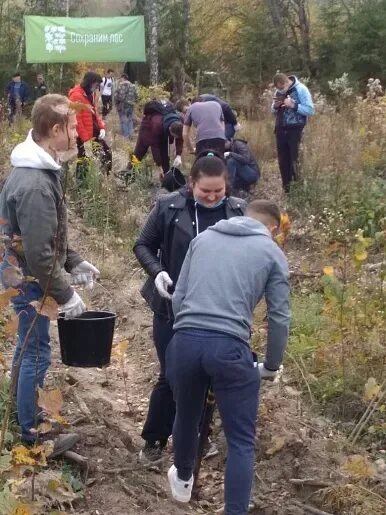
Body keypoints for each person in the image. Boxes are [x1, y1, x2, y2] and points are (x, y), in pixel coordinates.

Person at [166, 199, 290, 514]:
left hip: (184, 341)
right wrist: (271, 365)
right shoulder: (271, 252)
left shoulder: (203, 238)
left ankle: (182, 478)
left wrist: (188, 333)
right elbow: (279, 318)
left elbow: (179, 296)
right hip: (230, 347)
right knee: (241, 440)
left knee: (187, 413)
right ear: (272, 227)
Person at [0, 94, 100, 454]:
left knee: (28, 346)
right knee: (37, 350)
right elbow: (41, 257)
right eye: (72, 127)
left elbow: (47, 236)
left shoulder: (42, 169)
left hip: (24, 273)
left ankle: (18, 413)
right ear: (54, 130)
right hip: (27, 278)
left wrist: (73, 261)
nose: (77, 134)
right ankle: (30, 433)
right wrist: (67, 295)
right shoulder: (35, 184)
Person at [133, 151, 246, 465]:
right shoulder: (169, 207)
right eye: (204, 191)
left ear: (227, 187)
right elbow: (142, 244)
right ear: (191, 184)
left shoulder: (237, 213)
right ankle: (154, 440)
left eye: (218, 192)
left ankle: (198, 438)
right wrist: (158, 271)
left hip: (217, 309)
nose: (211, 197)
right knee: (172, 375)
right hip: (172, 306)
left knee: (207, 377)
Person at [272, 73, 314, 193]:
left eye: (281, 88)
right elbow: (272, 110)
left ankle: (299, 189)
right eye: (277, 89)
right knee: (283, 160)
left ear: (286, 83)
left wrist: (293, 105)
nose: (279, 90)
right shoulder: (278, 92)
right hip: (280, 129)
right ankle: (287, 190)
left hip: (296, 129)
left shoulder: (301, 89)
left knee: (296, 159)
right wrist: (275, 106)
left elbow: (310, 110)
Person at [68, 72, 112, 182]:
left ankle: (104, 179)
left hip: (93, 130)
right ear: (90, 83)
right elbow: (77, 120)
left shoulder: (89, 94)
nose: (97, 88)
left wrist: (101, 127)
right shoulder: (76, 95)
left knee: (106, 153)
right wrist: (86, 139)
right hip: (83, 135)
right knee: (83, 160)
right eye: (96, 85)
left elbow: (94, 112)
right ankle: (81, 186)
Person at [131, 100, 184, 177]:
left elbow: (180, 138)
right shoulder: (157, 124)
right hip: (147, 127)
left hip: (162, 128)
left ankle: (166, 178)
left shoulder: (180, 122)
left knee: (164, 154)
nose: (174, 138)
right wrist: (159, 166)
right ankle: (129, 174)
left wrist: (178, 155)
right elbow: (155, 147)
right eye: (173, 136)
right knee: (139, 153)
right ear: (169, 129)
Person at [113, 74, 138, 139]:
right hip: (131, 105)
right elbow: (137, 96)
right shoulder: (133, 86)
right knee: (130, 119)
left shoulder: (120, 86)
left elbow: (116, 96)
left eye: (121, 78)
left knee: (123, 120)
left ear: (123, 78)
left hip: (122, 105)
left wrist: (116, 104)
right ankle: (130, 134)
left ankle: (126, 136)